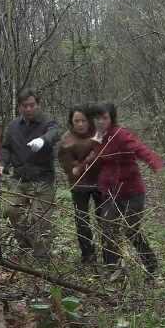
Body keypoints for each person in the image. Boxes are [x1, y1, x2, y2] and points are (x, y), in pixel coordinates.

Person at [75, 103, 163, 275]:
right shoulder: (98, 136)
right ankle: (113, 268)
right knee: (107, 228)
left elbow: (138, 148)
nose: (101, 122)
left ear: (112, 118)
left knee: (131, 230)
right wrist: (82, 165)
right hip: (110, 192)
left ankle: (150, 264)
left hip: (132, 192)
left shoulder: (121, 134)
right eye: (97, 118)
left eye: (104, 118)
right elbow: (94, 155)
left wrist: (154, 162)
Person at [0, 88, 60, 260]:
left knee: (39, 218)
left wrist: (43, 140)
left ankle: (41, 254)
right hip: (19, 178)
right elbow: (6, 148)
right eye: (25, 106)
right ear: (20, 107)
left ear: (38, 105)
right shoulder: (13, 126)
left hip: (42, 178)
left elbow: (55, 133)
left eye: (32, 105)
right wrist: (2, 163)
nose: (29, 109)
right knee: (11, 210)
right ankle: (24, 244)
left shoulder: (47, 123)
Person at [57, 106, 100, 264]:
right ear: (71, 122)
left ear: (89, 121)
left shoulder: (98, 134)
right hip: (79, 185)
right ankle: (88, 256)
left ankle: (111, 256)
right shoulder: (66, 139)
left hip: (100, 183)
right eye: (77, 121)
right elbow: (68, 165)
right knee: (82, 220)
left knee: (105, 219)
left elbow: (105, 155)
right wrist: (83, 165)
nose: (80, 124)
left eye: (83, 120)